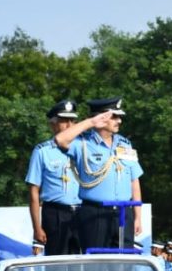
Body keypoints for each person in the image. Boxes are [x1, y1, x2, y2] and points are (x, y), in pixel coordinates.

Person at [55, 98, 142, 252]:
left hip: (123, 212)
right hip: (95, 213)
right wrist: (90, 123)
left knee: (124, 268)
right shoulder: (83, 143)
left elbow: (134, 180)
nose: (119, 121)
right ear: (101, 117)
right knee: (95, 269)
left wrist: (138, 217)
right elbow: (60, 139)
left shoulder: (124, 144)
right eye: (114, 116)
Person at [25, 100, 81, 259]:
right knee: (56, 266)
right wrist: (37, 227)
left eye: (72, 120)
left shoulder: (83, 149)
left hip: (80, 211)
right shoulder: (42, 151)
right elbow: (34, 192)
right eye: (64, 120)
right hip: (55, 213)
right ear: (53, 124)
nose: (69, 125)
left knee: (81, 267)